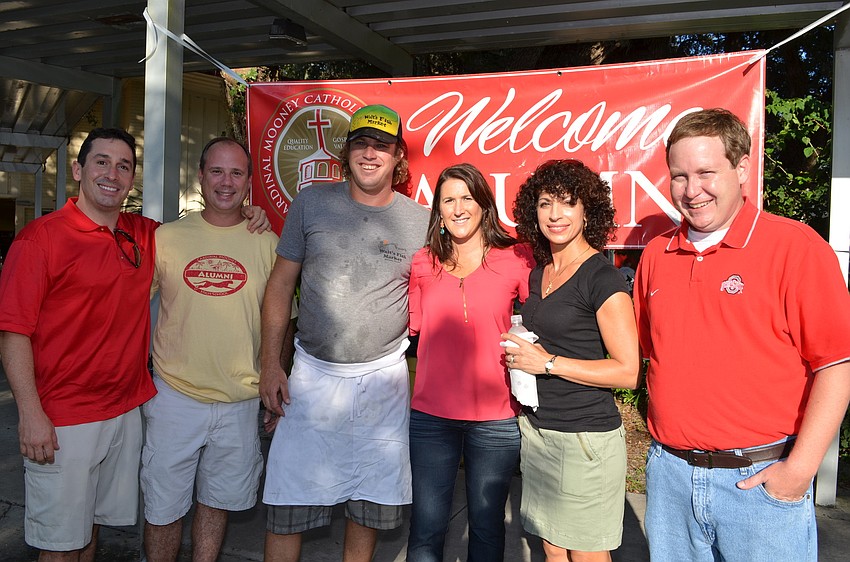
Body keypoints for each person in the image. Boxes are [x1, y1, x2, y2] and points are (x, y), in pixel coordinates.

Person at [0, 127, 268, 562]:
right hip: (64, 414)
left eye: (124, 165)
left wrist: (252, 214)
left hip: (125, 410)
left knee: (90, 533)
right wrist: (30, 413)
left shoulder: (144, 234)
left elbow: (215, 232)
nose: (112, 173)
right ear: (78, 170)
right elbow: (13, 332)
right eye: (101, 162)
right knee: (59, 542)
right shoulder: (40, 239)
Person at [633, 108, 850, 561]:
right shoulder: (656, 255)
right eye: (678, 176)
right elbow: (648, 354)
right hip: (671, 481)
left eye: (706, 172)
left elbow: (836, 366)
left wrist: (798, 471)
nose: (692, 191)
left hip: (760, 484)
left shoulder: (796, 248)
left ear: (743, 168)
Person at [259, 104, 429, 562]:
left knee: (368, 506)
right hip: (311, 378)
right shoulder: (311, 202)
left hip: (383, 381)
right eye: (360, 143)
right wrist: (270, 365)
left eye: (382, 146)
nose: (370, 153)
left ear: (398, 158)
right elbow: (278, 287)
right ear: (345, 151)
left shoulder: (421, 222)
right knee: (286, 500)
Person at [141, 138, 279, 562]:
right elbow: (127, 310)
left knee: (218, 502)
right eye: (216, 171)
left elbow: (281, 323)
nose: (226, 182)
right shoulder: (167, 238)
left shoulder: (268, 243)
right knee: (163, 508)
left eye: (236, 173)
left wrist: (274, 380)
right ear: (200, 176)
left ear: (249, 182)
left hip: (240, 400)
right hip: (174, 397)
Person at [502, 159, 640, 562]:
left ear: (587, 211)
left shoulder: (601, 277)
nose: (556, 214)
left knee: (586, 554)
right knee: (552, 548)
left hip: (585, 441)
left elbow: (628, 371)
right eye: (546, 204)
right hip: (541, 432)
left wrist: (546, 363)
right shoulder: (540, 273)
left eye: (567, 203)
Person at [406, 163, 533, 561]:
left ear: (483, 206)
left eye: (467, 198)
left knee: (486, 527)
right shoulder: (422, 263)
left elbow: (545, 322)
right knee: (426, 529)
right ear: (438, 211)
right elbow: (412, 333)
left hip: (496, 419)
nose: (459, 208)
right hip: (431, 417)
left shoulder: (517, 259)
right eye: (448, 200)